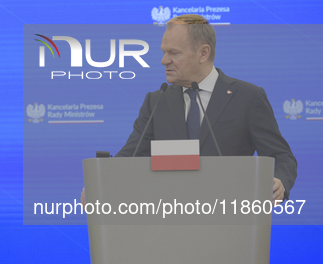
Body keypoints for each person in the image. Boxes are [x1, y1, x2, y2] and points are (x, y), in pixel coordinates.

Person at [82, 14, 296, 203]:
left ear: (203, 53)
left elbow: (281, 155)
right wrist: (100, 185)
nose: (164, 60)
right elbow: (129, 158)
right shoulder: (157, 101)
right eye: (164, 52)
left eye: (174, 53)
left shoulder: (248, 97)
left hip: (231, 223)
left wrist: (280, 182)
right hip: (168, 224)